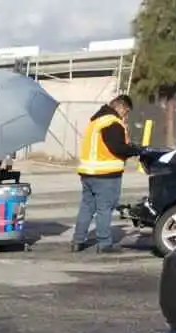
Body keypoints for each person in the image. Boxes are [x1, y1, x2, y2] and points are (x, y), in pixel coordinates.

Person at [72, 94, 144, 253]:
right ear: (122, 107)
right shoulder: (112, 123)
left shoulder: (95, 121)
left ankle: (77, 241)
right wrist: (136, 150)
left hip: (88, 173)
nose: (125, 116)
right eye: (126, 112)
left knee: (86, 208)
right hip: (106, 174)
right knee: (104, 209)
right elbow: (117, 148)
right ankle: (104, 244)